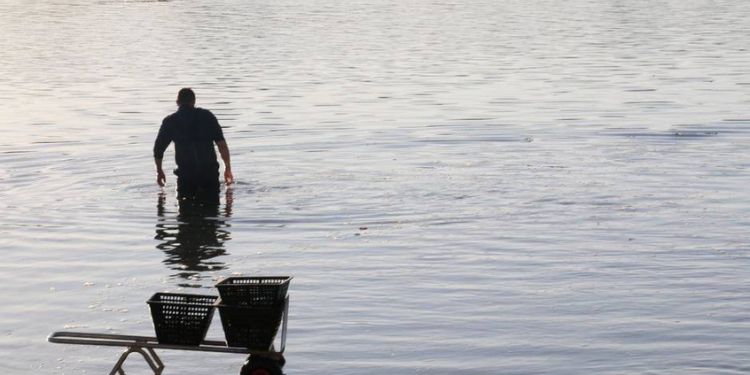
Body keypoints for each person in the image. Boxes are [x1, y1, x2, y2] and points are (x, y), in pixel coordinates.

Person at [153, 88, 233, 198]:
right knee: (212, 212)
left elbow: (158, 149)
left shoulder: (171, 121)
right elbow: (222, 145)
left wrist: (159, 171)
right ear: (194, 101)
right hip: (209, 175)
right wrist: (227, 168)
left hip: (186, 177)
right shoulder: (207, 116)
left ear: (177, 102)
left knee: (185, 212)